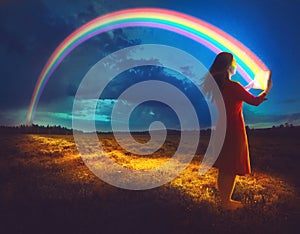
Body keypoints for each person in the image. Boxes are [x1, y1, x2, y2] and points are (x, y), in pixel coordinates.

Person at [203, 52, 273, 210]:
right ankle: (226, 202)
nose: (236, 66)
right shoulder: (234, 87)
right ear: (228, 67)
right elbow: (255, 102)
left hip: (221, 129)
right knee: (231, 167)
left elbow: (232, 95)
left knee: (224, 165)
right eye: (234, 63)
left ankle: (223, 199)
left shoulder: (217, 86)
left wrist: (246, 88)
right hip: (234, 130)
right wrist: (267, 90)